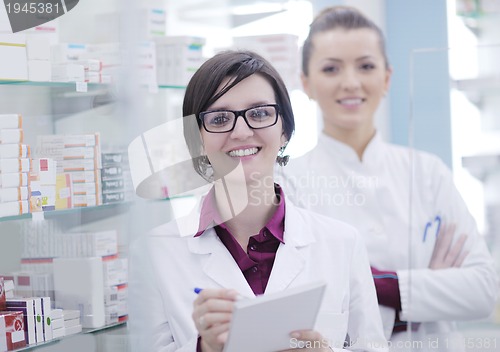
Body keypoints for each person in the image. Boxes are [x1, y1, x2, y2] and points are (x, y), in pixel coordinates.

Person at [128, 50, 388, 351]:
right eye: (220, 118)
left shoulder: (341, 242)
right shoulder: (154, 253)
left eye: (260, 113)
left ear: (285, 131)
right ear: (197, 139)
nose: (241, 132)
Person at [277, 6, 498, 352]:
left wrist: (374, 285)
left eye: (366, 66)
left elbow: (483, 291)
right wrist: (426, 290)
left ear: (387, 78)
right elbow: (312, 310)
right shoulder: (288, 185)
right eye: (331, 68)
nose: (350, 82)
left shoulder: (427, 172)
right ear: (306, 83)